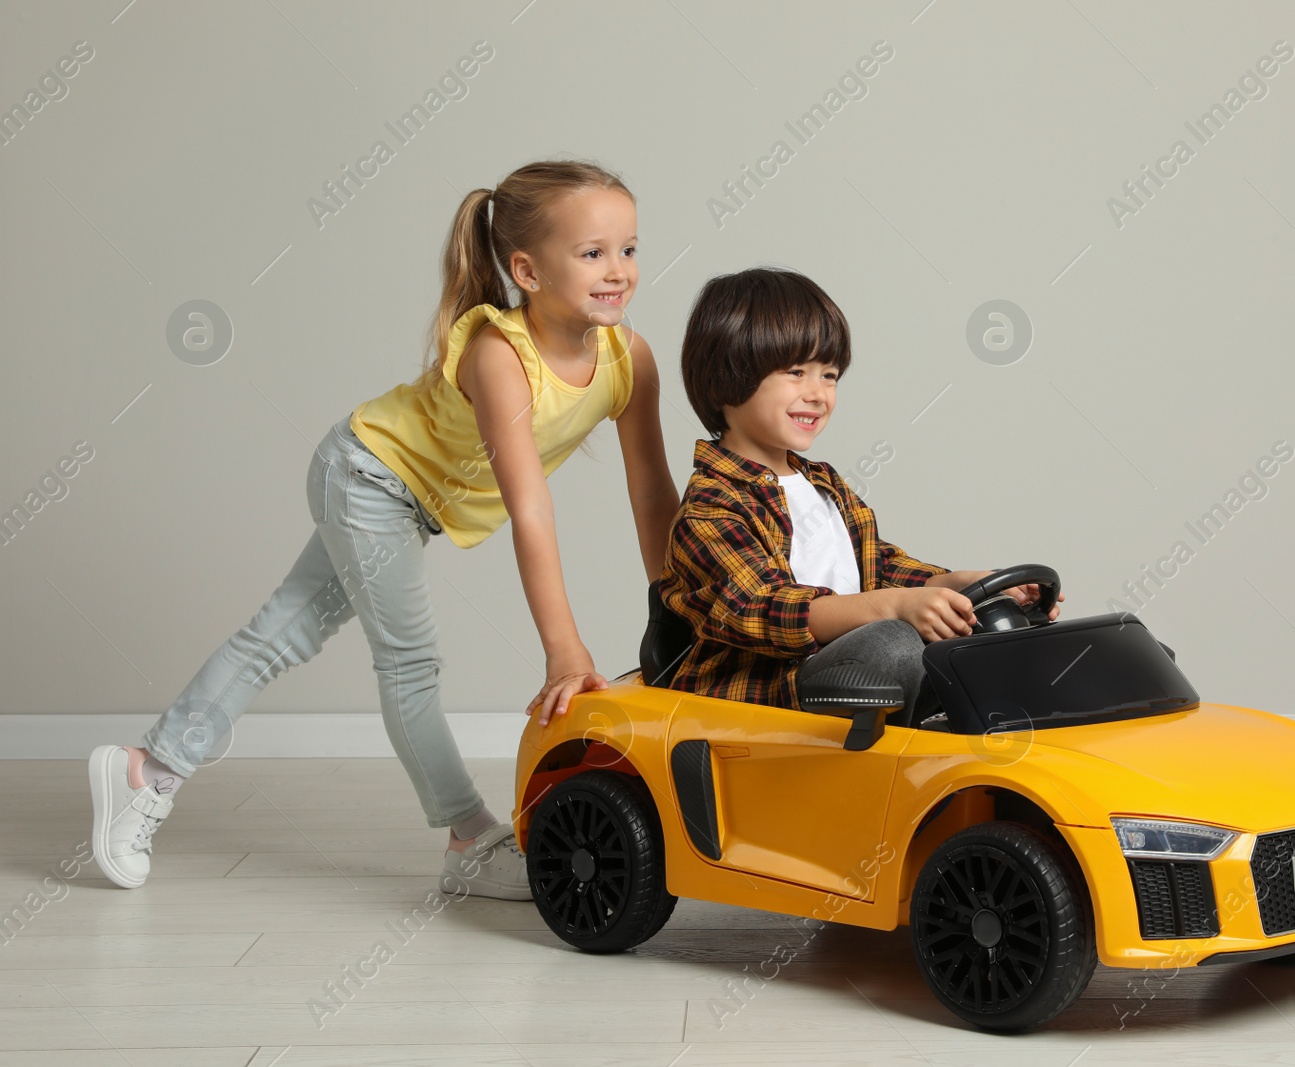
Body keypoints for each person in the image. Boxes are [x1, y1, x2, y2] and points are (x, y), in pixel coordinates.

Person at [88, 160, 680, 897]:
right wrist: (564, 648)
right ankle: (468, 834)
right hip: (367, 476)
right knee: (410, 661)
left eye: (629, 249)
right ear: (526, 269)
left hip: (397, 494)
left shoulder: (631, 359)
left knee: (284, 632)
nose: (617, 270)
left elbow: (652, 491)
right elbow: (529, 505)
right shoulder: (502, 356)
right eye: (592, 253)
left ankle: (146, 767)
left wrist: (676, 609)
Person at [653, 267, 1058, 719]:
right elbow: (759, 606)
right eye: (795, 372)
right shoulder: (712, 506)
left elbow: (878, 569)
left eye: (829, 375)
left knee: (992, 623)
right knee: (894, 643)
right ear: (727, 375)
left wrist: (967, 586)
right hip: (773, 692)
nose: (818, 394)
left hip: (857, 668)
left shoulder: (824, 485)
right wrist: (894, 608)